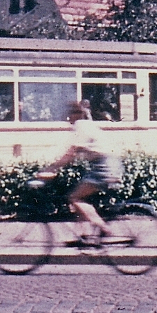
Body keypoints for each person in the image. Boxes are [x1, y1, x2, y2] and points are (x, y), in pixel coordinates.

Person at [38, 99, 124, 243]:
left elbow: (71, 153)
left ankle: (104, 228)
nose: (68, 118)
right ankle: (83, 235)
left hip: (104, 165)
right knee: (80, 199)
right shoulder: (88, 125)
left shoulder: (81, 126)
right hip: (110, 163)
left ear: (77, 114)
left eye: (70, 114)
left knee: (74, 198)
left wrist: (50, 169)